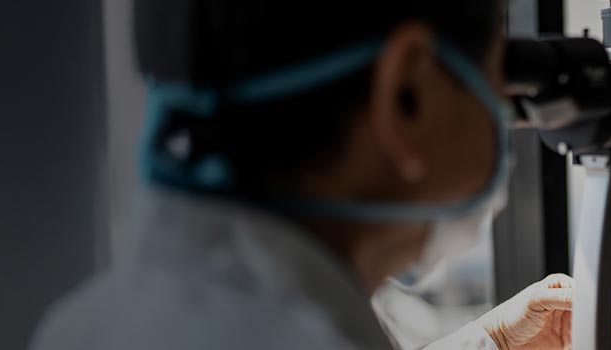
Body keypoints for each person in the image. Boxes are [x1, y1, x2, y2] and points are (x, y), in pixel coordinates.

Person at [30, 0, 578, 349]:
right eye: (496, 70)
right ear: (407, 94)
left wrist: (493, 341)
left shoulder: (83, 325)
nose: (504, 106)